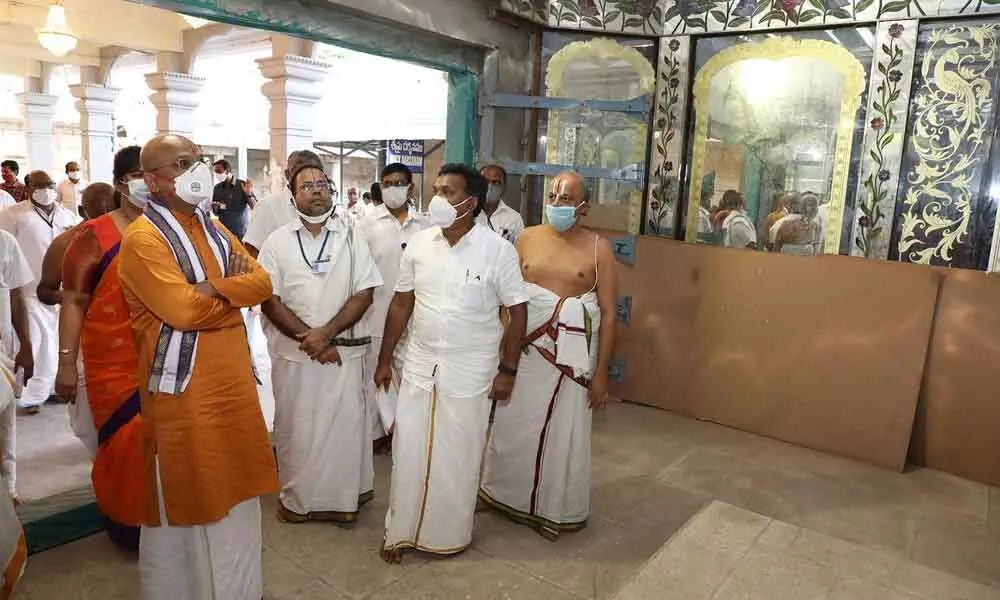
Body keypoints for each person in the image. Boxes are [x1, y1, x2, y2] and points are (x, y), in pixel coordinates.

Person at [118, 134, 278, 599]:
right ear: (152, 180)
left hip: (233, 385)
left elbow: (263, 281)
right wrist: (229, 294)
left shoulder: (212, 226)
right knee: (194, 498)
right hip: (184, 395)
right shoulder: (144, 239)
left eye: (199, 161)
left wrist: (210, 290)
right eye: (182, 164)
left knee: (237, 497)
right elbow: (183, 312)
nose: (197, 171)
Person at [374, 163, 529, 564]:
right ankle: (401, 530)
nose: (438, 199)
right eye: (437, 190)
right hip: (421, 364)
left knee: (457, 452)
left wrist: (508, 370)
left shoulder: (498, 250)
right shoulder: (421, 244)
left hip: (471, 369)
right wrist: (385, 357)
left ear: (471, 202)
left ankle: (447, 535)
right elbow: (401, 303)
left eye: (449, 192)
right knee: (409, 448)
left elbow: (518, 311)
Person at [479, 171, 616, 540]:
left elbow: (609, 313)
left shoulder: (598, 248)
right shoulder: (526, 238)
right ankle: (499, 494)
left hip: (569, 361)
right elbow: (510, 301)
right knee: (511, 428)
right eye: (553, 196)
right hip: (523, 352)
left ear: (583, 207)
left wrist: (601, 374)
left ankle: (552, 508)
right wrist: (500, 350)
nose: (557, 203)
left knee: (560, 435)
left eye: (567, 198)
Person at [259, 163, 382, 524]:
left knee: (343, 428)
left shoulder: (351, 236)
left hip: (341, 353)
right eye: (307, 186)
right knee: (297, 428)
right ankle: (298, 501)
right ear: (293, 194)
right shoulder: (277, 241)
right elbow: (269, 298)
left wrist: (325, 334)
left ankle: (342, 502)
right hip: (294, 356)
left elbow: (365, 292)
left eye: (322, 184)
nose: (316, 191)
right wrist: (309, 340)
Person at [53, 150, 146, 551]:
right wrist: (66, 364)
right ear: (121, 182)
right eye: (138, 175)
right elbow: (72, 300)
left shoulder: (174, 228)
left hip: (169, 359)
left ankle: (167, 528)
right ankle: (128, 527)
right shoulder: (95, 234)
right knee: (124, 445)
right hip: (113, 362)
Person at [357, 163, 431, 447]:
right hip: (376, 318)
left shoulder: (426, 226)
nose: (393, 189)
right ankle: (376, 438)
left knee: (410, 383)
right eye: (387, 183)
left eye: (399, 183)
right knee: (376, 381)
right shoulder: (365, 226)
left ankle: (404, 437)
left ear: (410, 187)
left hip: (416, 322)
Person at [0, 171, 80, 414]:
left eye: (49, 185)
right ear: (29, 187)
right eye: (39, 185)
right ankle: (30, 395)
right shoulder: (12, 215)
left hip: (61, 289)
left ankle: (56, 389)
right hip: (29, 288)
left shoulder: (69, 216)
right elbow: (7, 252)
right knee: (36, 343)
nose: (45, 189)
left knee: (59, 340)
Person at [0, 229, 34, 506]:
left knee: (5, 423)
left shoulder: (4, 242)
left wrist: (26, 346)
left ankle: (8, 488)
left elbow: (16, 297)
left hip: (3, 352)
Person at [243, 150, 325, 258]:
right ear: (288, 174)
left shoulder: (327, 208)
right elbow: (251, 253)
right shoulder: (268, 207)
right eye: (301, 173)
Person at [477, 164, 525, 244]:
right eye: (485, 181)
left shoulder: (514, 219)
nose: (490, 186)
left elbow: (519, 250)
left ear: (504, 187)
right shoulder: (467, 214)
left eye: (496, 182)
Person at [211, 159, 256, 240]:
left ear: (227, 170)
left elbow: (255, 207)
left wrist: (248, 194)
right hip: (223, 234)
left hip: (240, 234)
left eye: (218, 171)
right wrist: (215, 208)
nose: (216, 174)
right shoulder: (217, 188)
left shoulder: (242, 185)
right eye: (215, 172)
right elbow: (216, 212)